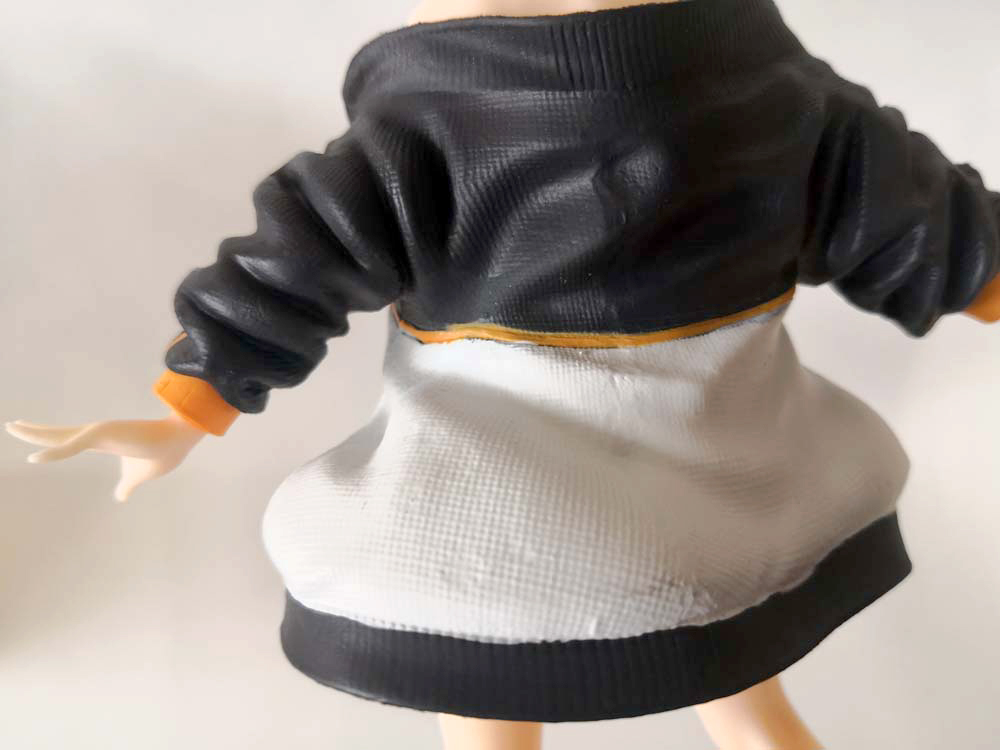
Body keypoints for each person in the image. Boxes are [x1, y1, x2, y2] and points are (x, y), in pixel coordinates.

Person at [8, 0, 1000, 748]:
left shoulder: (428, 115)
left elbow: (297, 259)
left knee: (483, 668)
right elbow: (922, 221)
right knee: (742, 681)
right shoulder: (776, 89)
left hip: (497, 488)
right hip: (724, 468)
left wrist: (188, 404)